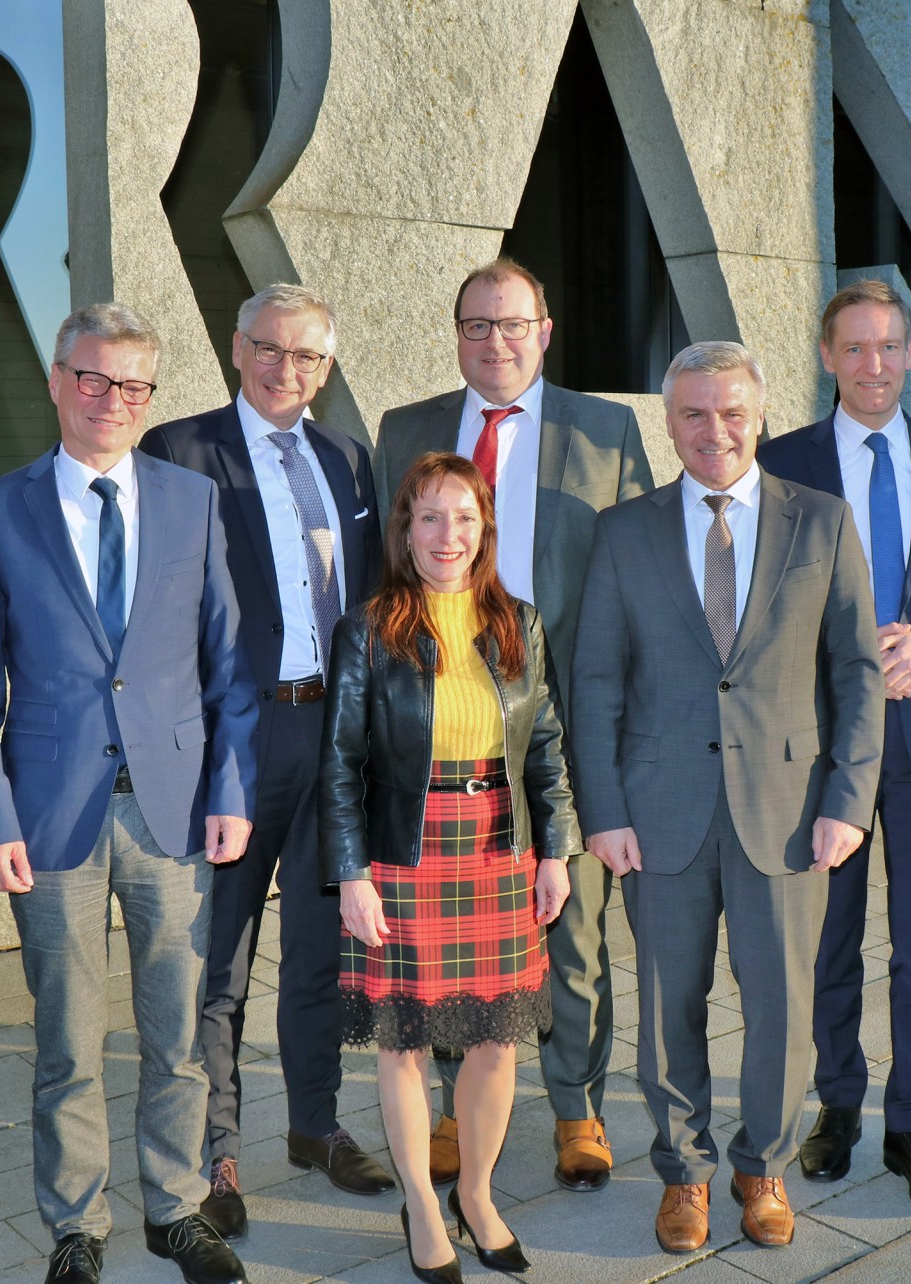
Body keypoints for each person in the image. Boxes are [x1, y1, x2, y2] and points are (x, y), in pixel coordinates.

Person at [0, 303, 259, 1284]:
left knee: (176, 1034)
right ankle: (76, 1225)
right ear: (56, 381)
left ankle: (173, 1209)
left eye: (131, 386)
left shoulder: (192, 501)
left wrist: (231, 789)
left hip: (171, 814)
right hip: (51, 819)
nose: (109, 400)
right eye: (91, 378)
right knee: (66, 1041)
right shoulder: (0, 511)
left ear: (150, 398)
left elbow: (228, 667)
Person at [571, 341, 883, 1253]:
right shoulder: (624, 530)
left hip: (789, 811)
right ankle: (685, 1175)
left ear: (761, 416)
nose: (715, 431)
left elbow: (858, 673)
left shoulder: (820, 522)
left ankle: (764, 1165)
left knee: (783, 1007)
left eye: (732, 412)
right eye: (695, 414)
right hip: (657, 808)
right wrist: (605, 811)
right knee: (668, 1006)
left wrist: (847, 801)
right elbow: (595, 679)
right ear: (669, 422)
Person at [375, 257, 651, 1190]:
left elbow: (638, 578)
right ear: (456, 335)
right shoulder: (404, 431)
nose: (495, 342)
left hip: (564, 729)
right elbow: (390, 580)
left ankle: (578, 1110)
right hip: (444, 734)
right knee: (449, 932)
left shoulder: (607, 432)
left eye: (512, 323)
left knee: (568, 933)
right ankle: (453, 1108)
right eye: (476, 325)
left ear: (545, 329)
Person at [140, 284, 391, 1231]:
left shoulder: (347, 457)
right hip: (236, 738)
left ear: (328, 367)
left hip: (337, 731)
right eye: (272, 351)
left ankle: (316, 1124)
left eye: (310, 357)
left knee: (324, 947)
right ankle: (219, 1153)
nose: (290, 371)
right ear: (238, 351)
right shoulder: (181, 450)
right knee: (223, 958)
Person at [757, 279, 911, 1213]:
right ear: (827, 357)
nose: (873, 365)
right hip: (821, 744)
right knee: (830, 938)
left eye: (889, 347)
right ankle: (839, 1106)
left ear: (910, 355)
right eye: (854, 348)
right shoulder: (781, 463)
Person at [321, 451, 577, 1283]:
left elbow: (544, 748)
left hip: (499, 849)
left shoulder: (518, 622)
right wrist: (350, 871)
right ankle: (422, 1209)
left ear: (484, 530)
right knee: (401, 1043)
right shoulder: (370, 628)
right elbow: (339, 763)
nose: (447, 534)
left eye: (464, 517)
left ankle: (474, 1192)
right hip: (405, 853)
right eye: (429, 516)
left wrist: (556, 850)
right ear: (405, 529)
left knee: (496, 1042)